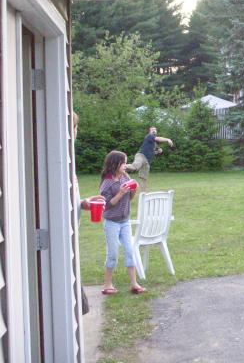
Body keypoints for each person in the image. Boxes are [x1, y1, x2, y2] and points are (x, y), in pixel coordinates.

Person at [100, 150, 146, 295]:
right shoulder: (107, 183)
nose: (126, 165)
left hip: (125, 221)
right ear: (114, 164)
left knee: (130, 251)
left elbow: (129, 198)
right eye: (123, 163)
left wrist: (134, 190)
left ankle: (134, 283)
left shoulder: (125, 176)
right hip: (111, 222)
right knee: (113, 253)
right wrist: (120, 193)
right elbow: (107, 205)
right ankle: (107, 284)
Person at [72, 112, 105, 314]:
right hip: (64, 241)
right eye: (75, 127)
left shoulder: (67, 158)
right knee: (77, 302)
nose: (76, 132)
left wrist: (83, 203)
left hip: (72, 236)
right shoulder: (58, 157)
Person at [125, 126, 173, 192]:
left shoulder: (154, 143)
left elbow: (152, 152)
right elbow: (158, 138)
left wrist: (158, 152)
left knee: (144, 179)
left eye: (155, 130)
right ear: (149, 132)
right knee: (135, 167)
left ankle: (143, 194)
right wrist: (168, 139)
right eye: (152, 130)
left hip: (147, 161)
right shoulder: (149, 136)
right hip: (141, 156)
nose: (154, 130)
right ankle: (121, 166)